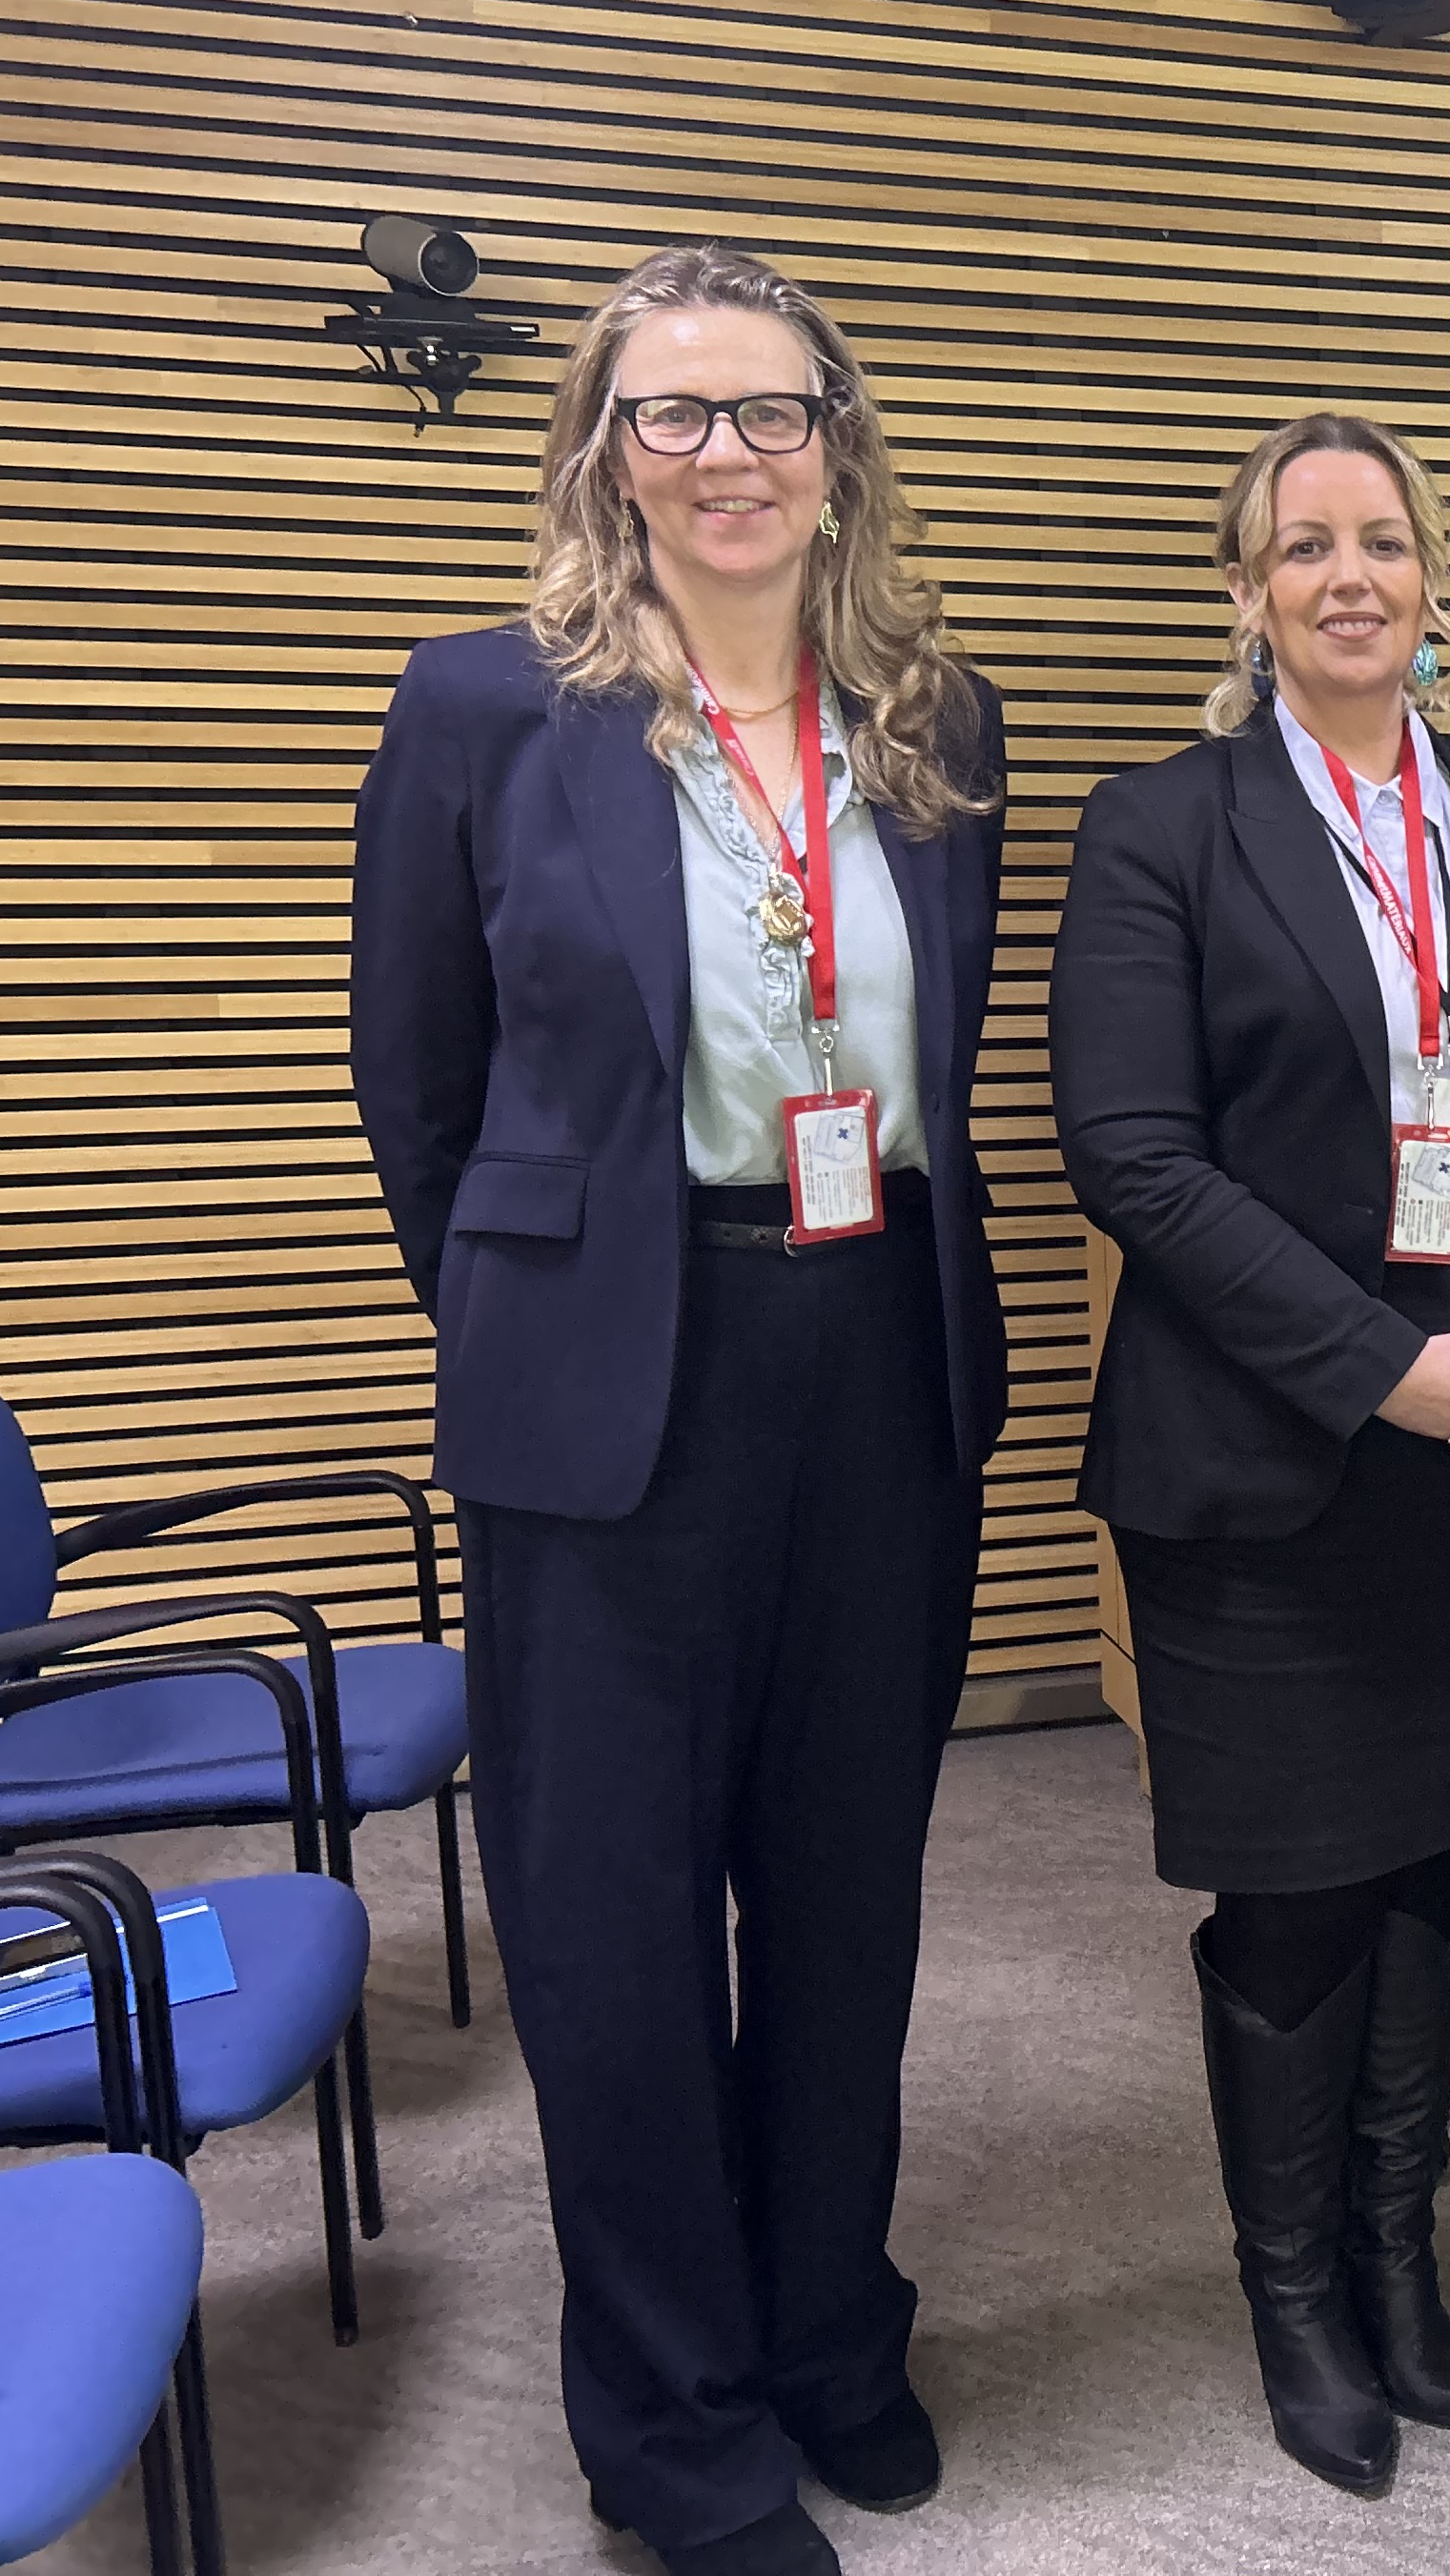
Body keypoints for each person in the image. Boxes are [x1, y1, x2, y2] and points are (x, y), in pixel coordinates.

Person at [350, 244, 1011, 2576]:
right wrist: (557, 1306)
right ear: (603, 452)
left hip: (878, 1368)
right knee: (617, 1928)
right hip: (614, 1389)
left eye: (769, 412)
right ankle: (676, 2419)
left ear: (838, 442)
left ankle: (832, 2331)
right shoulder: (482, 712)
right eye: (673, 415)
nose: (724, 456)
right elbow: (416, 1086)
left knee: (843, 1902)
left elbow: (928, 1057)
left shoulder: (936, 717)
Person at [1048, 410, 1450, 2500]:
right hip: (1273, 1447)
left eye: (1384, 538)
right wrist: (1376, 1369)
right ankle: (1295, 2297)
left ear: (1431, 575)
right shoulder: (1163, 829)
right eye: (1304, 546)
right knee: (1295, 1901)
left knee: (1431, 1864)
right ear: (1248, 593)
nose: (1350, 576)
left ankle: (1399, 2267)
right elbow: (1130, 1150)